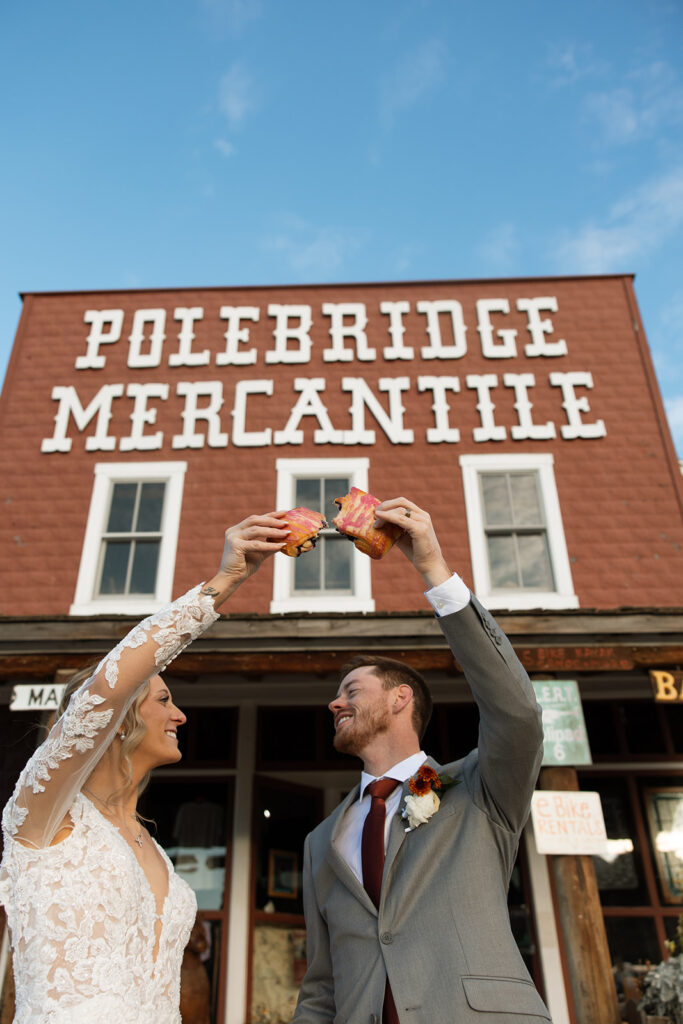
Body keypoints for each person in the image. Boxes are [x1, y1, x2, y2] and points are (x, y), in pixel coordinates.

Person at [0, 512, 290, 1024]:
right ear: (120, 716)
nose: (179, 715)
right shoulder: (45, 814)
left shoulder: (150, 844)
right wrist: (225, 583)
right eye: (163, 699)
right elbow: (109, 685)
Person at [292, 497, 552, 1024]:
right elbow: (321, 985)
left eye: (351, 690)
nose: (334, 703)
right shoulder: (321, 842)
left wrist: (434, 568)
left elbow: (518, 714)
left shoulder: (476, 790)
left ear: (399, 698)